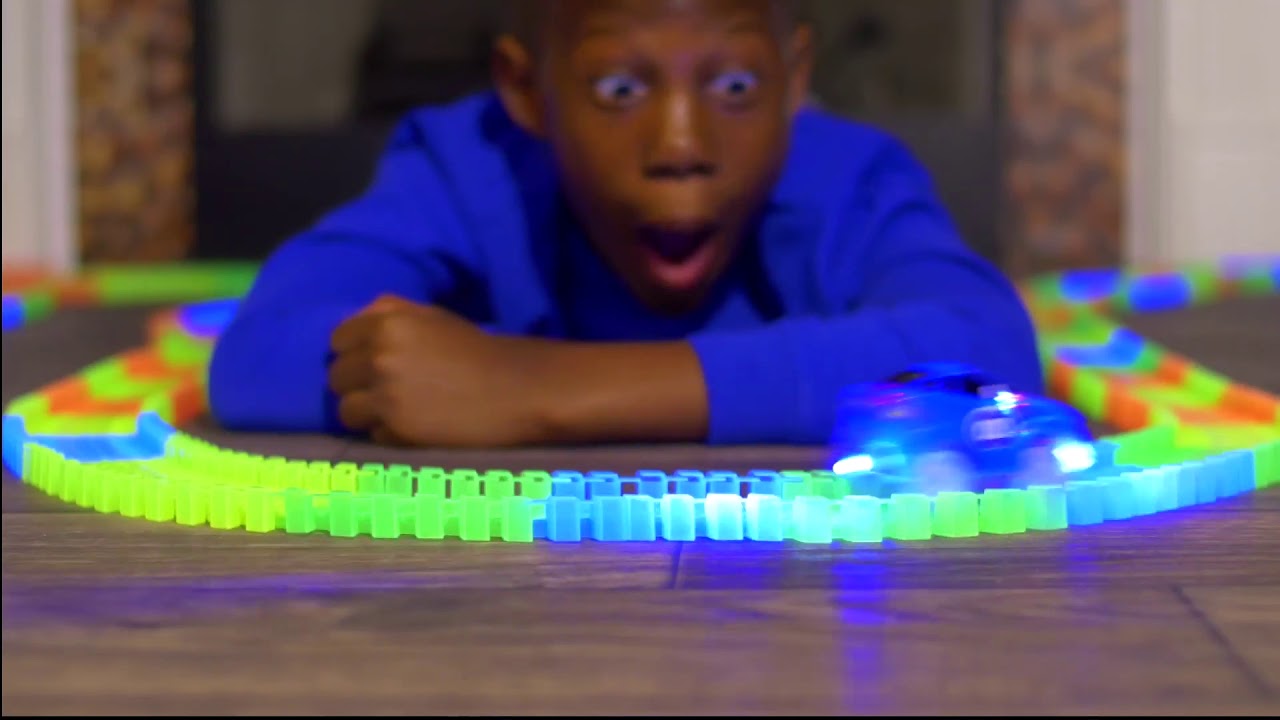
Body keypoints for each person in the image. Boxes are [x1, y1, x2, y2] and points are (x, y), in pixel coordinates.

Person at [207, 0, 1043, 448]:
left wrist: (532, 388)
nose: (681, 146)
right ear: (526, 90)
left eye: (737, 88)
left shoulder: (848, 178)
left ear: (796, 78)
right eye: (619, 91)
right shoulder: (470, 167)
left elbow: (989, 349)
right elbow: (259, 350)